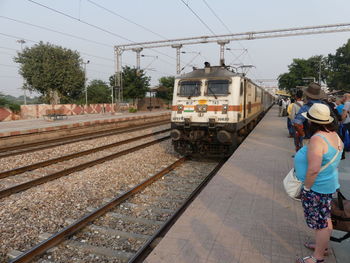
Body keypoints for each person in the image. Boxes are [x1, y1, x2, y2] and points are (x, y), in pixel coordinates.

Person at [295, 103, 343, 263]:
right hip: (327, 185)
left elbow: (313, 170)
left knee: (320, 223)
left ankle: (318, 257)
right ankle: (322, 246)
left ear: (313, 122)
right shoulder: (335, 135)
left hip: (317, 188)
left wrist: (307, 188)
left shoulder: (318, 139)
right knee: (325, 218)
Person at [293, 83, 326, 151]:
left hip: (310, 139)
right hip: (325, 139)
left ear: (307, 96)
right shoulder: (325, 106)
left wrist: (303, 135)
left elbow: (296, 123)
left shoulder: (305, 107)